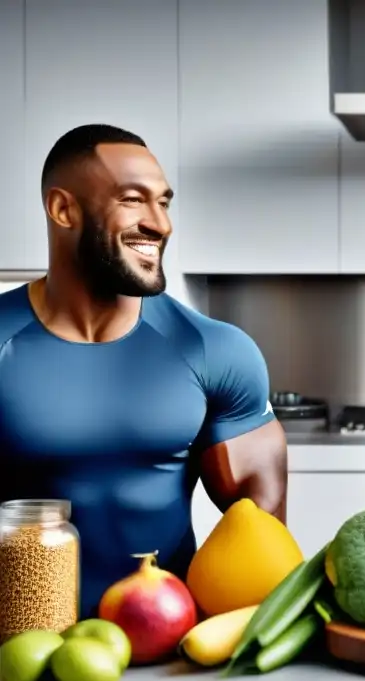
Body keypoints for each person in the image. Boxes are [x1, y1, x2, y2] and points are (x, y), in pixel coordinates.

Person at [0, 124, 286, 618]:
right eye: (134, 200)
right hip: (21, 642)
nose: (161, 224)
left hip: (168, 644)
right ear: (63, 209)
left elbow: (261, 539)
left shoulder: (215, 351)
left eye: (165, 203)